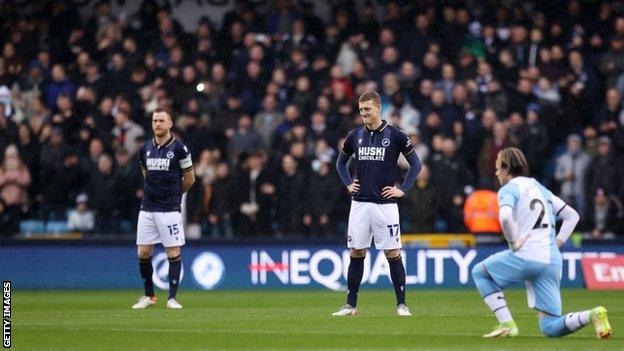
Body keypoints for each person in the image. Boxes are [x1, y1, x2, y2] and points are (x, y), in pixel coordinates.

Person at [471, 147, 612, 338]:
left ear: (506, 168)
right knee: (550, 327)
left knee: (480, 272)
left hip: (527, 255)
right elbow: (572, 216)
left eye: (497, 167)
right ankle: (593, 314)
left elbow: (505, 217)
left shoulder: (509, 189)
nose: (496, 172)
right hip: (551, 260)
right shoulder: (540, 188)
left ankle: (507, 324)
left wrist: (513, 243)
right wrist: (557, 243)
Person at [333, 91, 422, 316]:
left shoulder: (396, 135)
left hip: (385, 205)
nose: (363, 113)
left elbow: (416, 164)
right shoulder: (354, 136)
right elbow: (340, 163)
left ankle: (402, 304)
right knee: (356, 252)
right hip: (360, 204)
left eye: (367, 110)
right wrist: (347, 183)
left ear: (378, 109)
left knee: (392, 253)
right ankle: (350, 305)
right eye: (361, 110)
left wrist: (402, 189)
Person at [132, 108, 195, 310]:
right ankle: (149, 296)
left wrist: (175, 195)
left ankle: (172, 298)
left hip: (169, 209)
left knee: (173, 251)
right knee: (143, 252)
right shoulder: (145, 149)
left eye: (161, 121)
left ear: (170, 124)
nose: (157, 124)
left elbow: (190, 178)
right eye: (154, 120)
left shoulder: (179, 149)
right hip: (148, 207)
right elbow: (146, 173)